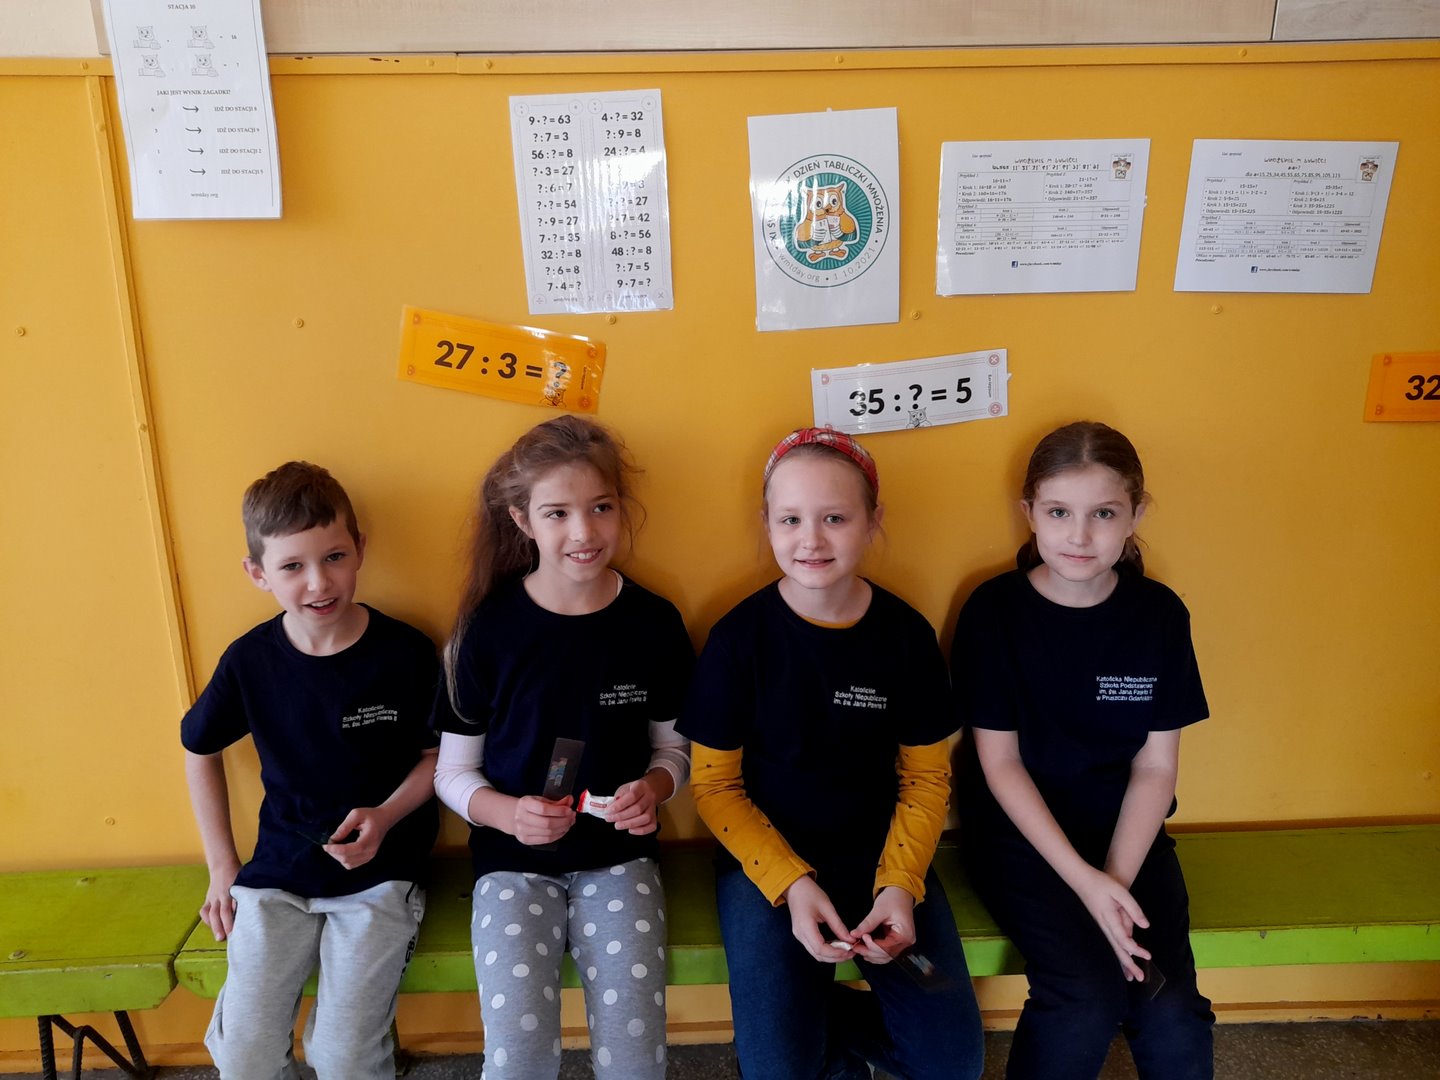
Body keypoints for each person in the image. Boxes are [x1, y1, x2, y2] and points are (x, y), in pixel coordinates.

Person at [679, 427, 984, 1080]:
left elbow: (927, 778)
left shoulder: (905, 636)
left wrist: (900, 886)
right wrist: (791, 885)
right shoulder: (738, 641)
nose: (811, 540)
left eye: (835, 519)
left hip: (883, 858)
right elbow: (715, 787)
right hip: (765, 870)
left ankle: (808, 1016)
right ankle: (796, 1025)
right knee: (778, 1070)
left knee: (951, 1065)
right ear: (766, 523)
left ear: (873, 521)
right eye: (790, 519)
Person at [432, 415, 693, 1080]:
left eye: (601, 507)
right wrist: (505, 814)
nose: (584, 532)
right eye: (558, 513)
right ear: (522, 519)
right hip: (512, 865)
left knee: (635, 1058)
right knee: (517, 1058)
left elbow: (674, 751)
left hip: (619, 860)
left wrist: (654, 789)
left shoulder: (653, 623)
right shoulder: (486, 631)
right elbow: (453, 773)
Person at [952, 421, 1215, 1080]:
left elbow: (1156, 766)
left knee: (1171, 1006)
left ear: (1136, 515)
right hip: (1021, 837)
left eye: (1103, 513)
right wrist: (1085, 885)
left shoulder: (1159, 614)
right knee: (1084, 998)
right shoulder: (994, 611)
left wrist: (1114, 885)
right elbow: (1000, 765)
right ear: (1029, 513)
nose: (1079, 535)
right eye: (1058, 512)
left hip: (1128, 835)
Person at [181, 461, 440, 1080]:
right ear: (258, 573)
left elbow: (440, 758)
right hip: (277, 873)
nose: (319, 582)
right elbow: (198, 747)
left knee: (343, 1057)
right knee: (244, 1054)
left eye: (334, 557)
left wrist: (386, 816)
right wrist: (221, 865)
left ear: (359, 550)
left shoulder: (406, 652)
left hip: (380, 877)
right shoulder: (249, 661)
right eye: (292, 566)